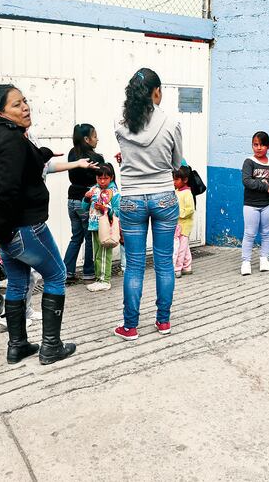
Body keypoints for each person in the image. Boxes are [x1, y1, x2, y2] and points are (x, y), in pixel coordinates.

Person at [0, 83, 82, 365]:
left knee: (18, 280)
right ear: (1, 111)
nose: (25, 107)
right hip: (21, 227)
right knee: (56, 274)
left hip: (1, 225)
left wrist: (43, 153)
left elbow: (22, 165)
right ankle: (51, 347)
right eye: (16, 104)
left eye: (25, 101)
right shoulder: (11, 139)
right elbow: (8, 189)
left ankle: (18, 346)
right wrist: (4, 231)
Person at [113, 68, 183, 341]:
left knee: (134, 265)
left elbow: (131, 157)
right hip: (164, 196)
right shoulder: (172, 123)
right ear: (156, 92)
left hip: (131, 199)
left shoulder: (119, 124)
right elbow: (177, 164)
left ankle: (130, 326)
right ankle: (163, 321)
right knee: (164, 262)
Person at [64, 123, 104, 284]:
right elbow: (105, 177)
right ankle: (88, 273)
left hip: (72, 200)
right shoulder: (96, 158)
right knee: (89, 238)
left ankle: (67, 272)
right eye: (95, 136)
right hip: (86, 202)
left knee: (76, 237)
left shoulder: (72, 154)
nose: (97, 139)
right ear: (87, 139)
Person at [241, 131, 269, 276]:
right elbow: (247, 181)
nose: (258, 148)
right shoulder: (249, 162)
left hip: (268, 204)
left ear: (268, 146)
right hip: (251, 204)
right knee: (249, 233)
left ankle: (264, 259)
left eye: (262, 145)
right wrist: (265, 187)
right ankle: (246, 262)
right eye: (255, 144)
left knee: (266, 232)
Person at [83, 164, 120, 292]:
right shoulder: (94, 189)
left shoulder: (114, 192)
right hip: (94, 226)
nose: (102, 181)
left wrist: (105, 209)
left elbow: (117, 212)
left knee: (104, 254)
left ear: (111, 178)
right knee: (97, 254)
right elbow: (84, 207)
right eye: (100, 178)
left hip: (106, 228)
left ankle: (105, 280)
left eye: (106, 178)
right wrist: (86, 198)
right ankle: (99, 279)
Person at [172, 166, 195, 278]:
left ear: (185, 180)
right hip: (178, 224)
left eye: (176, 179)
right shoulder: (176, 192)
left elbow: (190, 210)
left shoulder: (187, 193)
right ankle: (187, 266)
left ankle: (177, 268)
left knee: (180, 248)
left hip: (184, 226)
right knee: (184, 247)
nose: (174, 182)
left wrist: (178, 213)